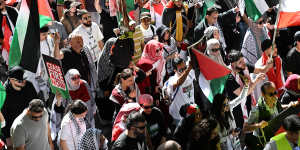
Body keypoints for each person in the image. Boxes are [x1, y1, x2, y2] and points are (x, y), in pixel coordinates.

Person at [224, 50, 269, 129]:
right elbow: (243, 94)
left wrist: (268, 64)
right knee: (244, 132)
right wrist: (256, 81)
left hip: (249, 105)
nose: (244, 63)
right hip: (238, 111)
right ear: (233, 64)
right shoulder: (229, 77)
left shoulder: (244, 67)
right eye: (240, 62)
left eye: (243, 60)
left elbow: (261, 69)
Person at [2, 66, 38, 150]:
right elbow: (3, 117)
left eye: (23, 80)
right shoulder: (4, 93)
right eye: (18, 81)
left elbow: (36, 105)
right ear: (10, 79)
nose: (22, 84)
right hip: (12, 131)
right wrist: (7, 136)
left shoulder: (28, 86)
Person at [55, 34, 98, 98]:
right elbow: (57, 56)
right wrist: (56, 43)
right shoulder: (66, 52)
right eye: (78, 41)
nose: (81, 43)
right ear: (71, 43)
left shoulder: (84, 52)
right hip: (74, 91)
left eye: (82, 41)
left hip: (87, 88)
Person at [212, 78, 249, 150]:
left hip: (236, 143)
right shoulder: (214, 120)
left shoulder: (229, 107)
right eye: (224, 104)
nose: (227, 106)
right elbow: (217, 139)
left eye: (227, 102)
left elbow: (241, 98)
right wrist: (231, 135)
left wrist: (246, 86)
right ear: (218, 106)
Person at [166, 57, 194, 124]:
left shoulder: (190, 74)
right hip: (179, 117)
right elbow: (178, 83)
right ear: (175, 71)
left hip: (192, 111)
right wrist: (188, 69)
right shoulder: (172, 80)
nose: (184, 71)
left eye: (185, 68)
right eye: (181, 70)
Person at [0, 0, 18, 64]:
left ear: (4, 2)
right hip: (5, 43)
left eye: (1, 1)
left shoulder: (13, 10)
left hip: (17, 39)